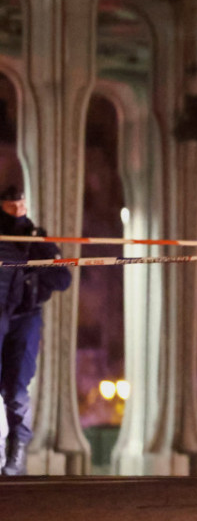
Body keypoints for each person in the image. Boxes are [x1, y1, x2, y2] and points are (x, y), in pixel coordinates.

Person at [0, 185, 71, 476]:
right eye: (11, 204)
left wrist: (36, 265)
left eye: (21, 203)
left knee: (17, 387)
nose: (18, 208)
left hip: (26, 315)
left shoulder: (36, 237)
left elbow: (62, 277)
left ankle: (16, 450)